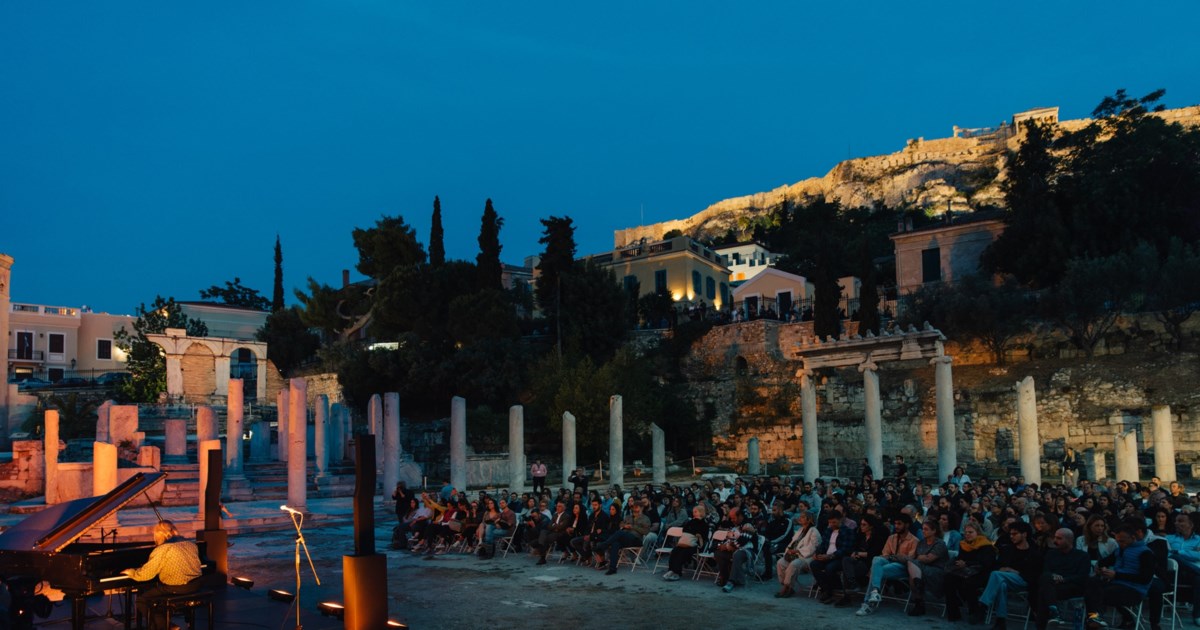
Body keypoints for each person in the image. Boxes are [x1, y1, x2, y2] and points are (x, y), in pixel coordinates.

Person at [122, 520, 203, 630]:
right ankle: (174, 624)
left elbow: (145, 575)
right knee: (158, 593)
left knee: (142, 600)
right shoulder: (190, 543)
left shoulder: (162, 549)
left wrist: (132, 572)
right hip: (195, 585)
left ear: (158, 534)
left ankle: (164, 627)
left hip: (176, 588)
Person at [1084, 524, 1154, 629]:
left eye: (1122, 541)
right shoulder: (1120, 549)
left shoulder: (1146, 553)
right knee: (1091, 584)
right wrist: (1100, 568)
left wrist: (1117, 575)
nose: (1120, 544)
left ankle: (1094, 620)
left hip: (1134, 589)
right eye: (1118, 541)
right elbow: (1105, 561)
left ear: (1133, 538)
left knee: (1099, 593)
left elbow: (1145, 579)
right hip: (1117, 584)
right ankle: (1095, 619)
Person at [977, 521, 1042, 629]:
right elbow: (997, 566)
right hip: (1005, 579)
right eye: (1010, 534)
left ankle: (983, 604)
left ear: (1024, 534)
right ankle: (1001, 621)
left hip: (1024, 581)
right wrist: (1002, 568)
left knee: (997, 575)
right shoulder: (1007, 549)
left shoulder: (1034, 553)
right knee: (1001, 584)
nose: (1011, 536)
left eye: (1015, 534)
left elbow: (1035, 575)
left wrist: (1015, 572)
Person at [856, 513, 918, 616]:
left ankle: (868, 604)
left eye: (899, 524)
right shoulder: (892, 538)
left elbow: (909, 559)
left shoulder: (914, 540)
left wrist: (894, 557)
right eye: (895, 524)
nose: (896, 526)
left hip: (903, 568)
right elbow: (885, 554)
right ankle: (875, 592)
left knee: (876, 569)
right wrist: (895, 557)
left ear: (907, 525)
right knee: (877, 559)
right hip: (889, 562)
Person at [1033, 528, 1089, 630]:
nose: (1055, 541)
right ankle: (1053, 610)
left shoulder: (1082, 556)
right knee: (1045, 580)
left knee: (1043, 591)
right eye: (1055, 537)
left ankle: (1049, 616)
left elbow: (1082, 577)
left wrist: (1063, 579)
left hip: (1071, 587)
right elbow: (1046, 571)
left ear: (1069, 540)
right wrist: (1053, 576)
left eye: (1059, 538)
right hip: (1053, 585)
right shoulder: (1051, 554)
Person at [943, 520, 997, 622]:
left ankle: (975, 611)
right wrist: (959, 563)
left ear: (978, 532)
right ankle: (953, 612)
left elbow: (985, 563)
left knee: (969, 582)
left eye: (971, 532)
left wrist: (966, 563)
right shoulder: (964, 544)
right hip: (965, 571)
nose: (967, 534)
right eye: (966, 532)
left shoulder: (986, 546)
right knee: (948, 578)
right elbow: (960, 558)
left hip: (982, 573)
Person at [905, 519, 949, 616]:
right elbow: (920, 558)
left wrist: (921, 557)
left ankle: (919, 603)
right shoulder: (921, 542)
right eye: (922, 529)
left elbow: (928, 559)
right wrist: (921, 558)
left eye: (926, 529)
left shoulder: (940, 544)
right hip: (921, 569)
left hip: (936, 571)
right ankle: (918, 588)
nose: (923, 531)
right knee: (913, 572)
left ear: (934, 531)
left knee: (912, 564)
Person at [774, 510, 821, 598]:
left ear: (809, 519)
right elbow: (792, 543)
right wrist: (788, 551)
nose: (800, 518)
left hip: (807, 557)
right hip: (794, 555)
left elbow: (812, 548)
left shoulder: (814, 532)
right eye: (800, 516)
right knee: (780, 563)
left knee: (793, 565)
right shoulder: (800, 530)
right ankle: (788, 587)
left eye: (803, 517)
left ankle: (786, 588)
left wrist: (797, 551)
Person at [663, 505, 708, 581]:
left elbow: (703, 535)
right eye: (693, 512)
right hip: (685, 542)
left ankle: (677, 572)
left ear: (701, 512)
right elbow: (684, 529)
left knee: (682, 553)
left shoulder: (704, 523)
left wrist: (693, 531)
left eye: (696, 512)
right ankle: (671, 570)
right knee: (674, 551)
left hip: (694, 544)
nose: (694, 513)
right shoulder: (691, 521)